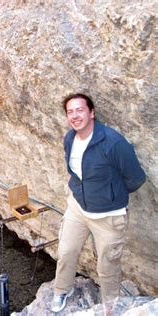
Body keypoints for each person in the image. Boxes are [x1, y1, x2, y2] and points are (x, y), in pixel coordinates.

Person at [51, 93, 146, 313]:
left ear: (92, 113)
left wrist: (110, 196)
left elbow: (136, 178)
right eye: (70, 112)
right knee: (66, 252)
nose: (75, 116)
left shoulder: (113, 143)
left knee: (107, 266)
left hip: (109, 216)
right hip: (78, 207)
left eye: (80, 110)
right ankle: (61, 290)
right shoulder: (69, 139)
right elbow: (74, 171)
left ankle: (109, 305)